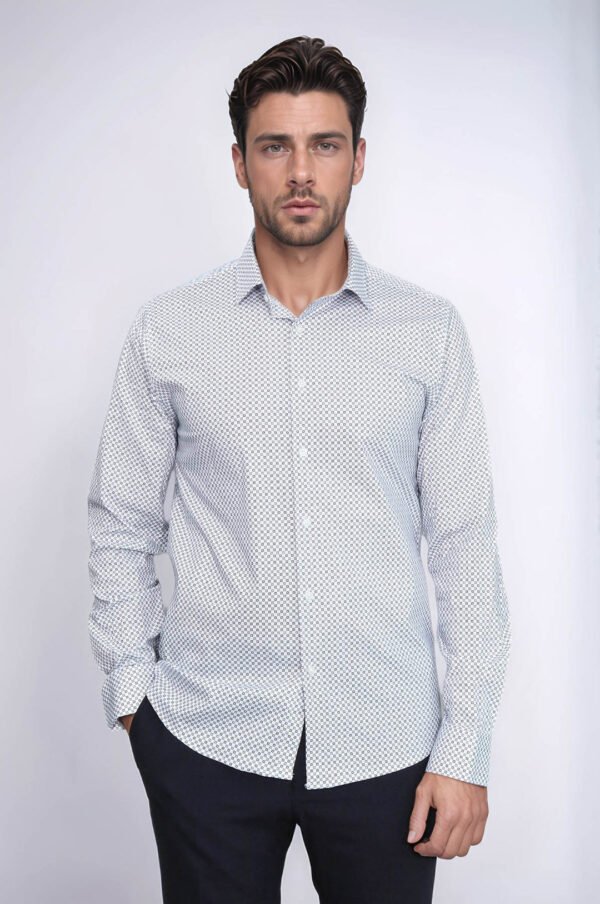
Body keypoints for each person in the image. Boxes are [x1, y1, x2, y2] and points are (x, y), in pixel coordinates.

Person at [86, 34, 511, 904]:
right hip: (208, 742)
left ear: (360, 158)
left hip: (388, 749)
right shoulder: (169, 332)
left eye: (325, 144)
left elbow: (464, 548)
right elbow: (121, 525)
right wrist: (136, 697)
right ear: (240, 163)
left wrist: (464, 749)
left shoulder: (427, 334)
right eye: (275, 146)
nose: (302, 172)